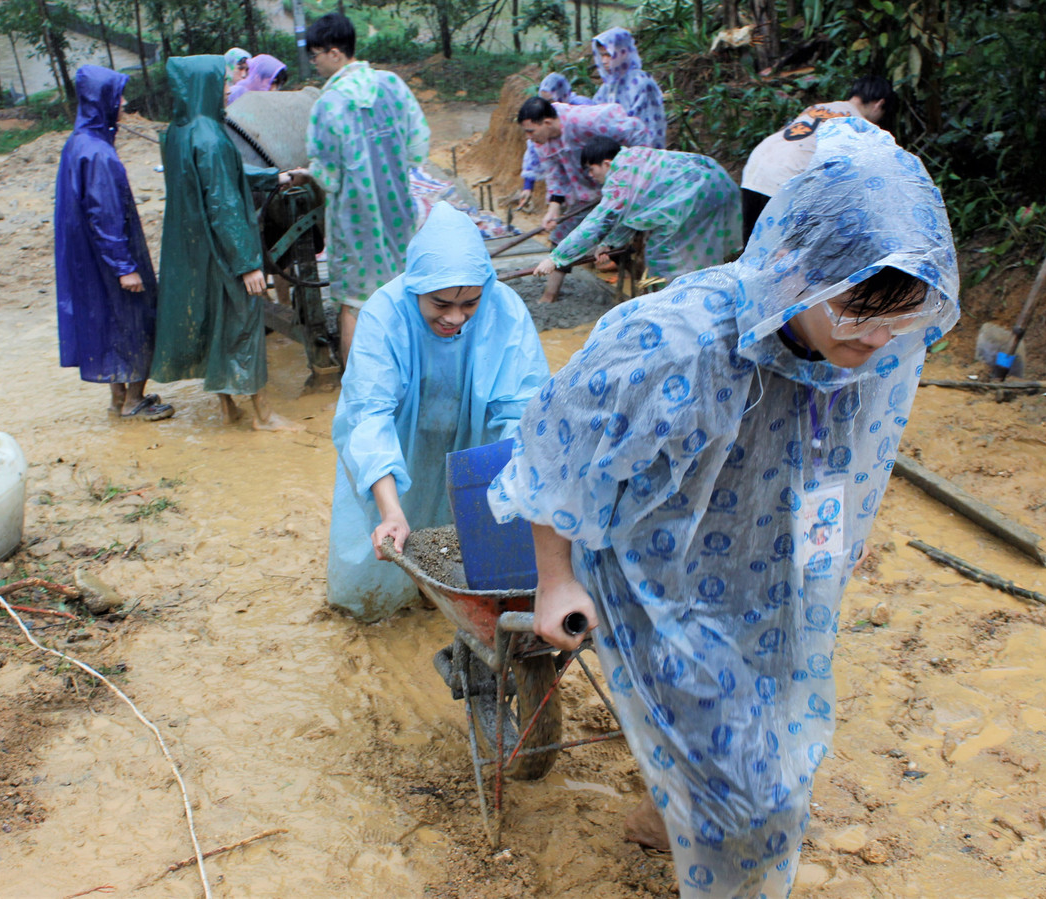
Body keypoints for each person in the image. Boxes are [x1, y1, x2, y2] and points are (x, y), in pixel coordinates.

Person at [489, 117, 958, 896]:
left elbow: (847, 453)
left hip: (770, 554)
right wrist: (555, 579)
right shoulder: (674, 341)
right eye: (855, 309)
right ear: (799, 267)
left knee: (772, 701)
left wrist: (842, 533)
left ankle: (666, 805)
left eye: (898, 316)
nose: (875, 338)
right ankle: (722, 848)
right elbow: (557, 450)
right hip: (654, 564)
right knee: (743, 766)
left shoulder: (875, 354)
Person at [327, 205, 550, 621]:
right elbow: (368, 416)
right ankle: (376, 608)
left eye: (470, 303)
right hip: (400, 444)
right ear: (415, 288)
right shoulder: (384, 313)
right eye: (440, 303)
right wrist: (391, 510)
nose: (454, 318)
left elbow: (522, 407)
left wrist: (517, 481)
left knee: (467, 537)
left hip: (472, 443)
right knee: (384, 556)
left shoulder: (506, 309)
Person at [150, 55, 306, 430]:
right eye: (220, 82)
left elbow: (227, 171)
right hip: (225, 252)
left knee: (215, 324)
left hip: (195, 250)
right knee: (244, 324)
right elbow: (224, 204)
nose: (226, 88)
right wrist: (248, 263)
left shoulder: (178, 132)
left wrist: (275, 176)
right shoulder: (212, 137)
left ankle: (226, 407)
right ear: (204, 85)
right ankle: (263, 416)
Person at [305, 12, 431, 364]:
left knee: (356, 306)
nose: (314, 64)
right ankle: (408, 376)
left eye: (314, 56)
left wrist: (310, 172)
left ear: (333, 52)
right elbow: (418, 147)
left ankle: (357, 393)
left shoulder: (328, 104)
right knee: (404, 293)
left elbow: (328, 177)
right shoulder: (392, 85)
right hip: (398, 213)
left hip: (355, 223)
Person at [53, 65, 172, 422]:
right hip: (112, 255)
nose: (123, 102)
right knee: (136, 319)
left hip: (90, 258)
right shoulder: (100, 155)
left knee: (109, 321)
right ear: (101, 100)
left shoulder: (79, 143)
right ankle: (135, 399)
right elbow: (105, 214)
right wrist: (125, 267)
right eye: (117, 96)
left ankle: (118, 400)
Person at [533, 137, 741, 285]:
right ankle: (710, 297)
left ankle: (672, 308)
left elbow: (598, 223)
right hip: (719, 184)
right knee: (705, 262)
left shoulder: (620, 178)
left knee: (665, 259)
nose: (591, 175)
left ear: (606, 163)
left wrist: (556, 258)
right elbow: (630, 214)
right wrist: (609, 243)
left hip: (695, 198)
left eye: (591, 169)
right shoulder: (635, 158)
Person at [516, 97, 649, 302]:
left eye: (531, 131)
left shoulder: (586, 121)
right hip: (584, 192)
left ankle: (633, 293)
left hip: (620, 187)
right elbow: (556, 176)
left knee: (620, 239)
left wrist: (638, 174)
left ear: (548, 123)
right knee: (562, 234)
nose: (529, 138)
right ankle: (549, 295)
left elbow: (635, 132)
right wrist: (554, 209)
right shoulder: (542, 144)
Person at [740, 75, 896, 241]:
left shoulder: (818, 107)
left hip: (756, 166)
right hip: (788, 176)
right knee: (783, 251)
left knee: (752, 246)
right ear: (879, 104)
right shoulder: (860, 125)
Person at [515, 73, 596, 212]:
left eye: (551, 100)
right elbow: (539, 158)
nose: (550, 106)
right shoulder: (541, 132)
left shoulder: (581, 112)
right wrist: (528, 186)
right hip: (574, 187)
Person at [591, 27, 666, 148]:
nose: (604, 61)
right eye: (601, 55)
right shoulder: (608, 86)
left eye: (608, 55)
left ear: (624, 52)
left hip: (639, 155)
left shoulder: (640, 83)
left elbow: (649, 125)